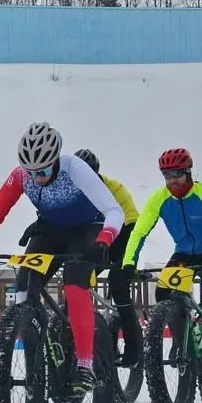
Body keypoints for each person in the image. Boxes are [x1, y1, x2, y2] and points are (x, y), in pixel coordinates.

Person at [0, 123, 123, 396]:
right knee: (24, 287)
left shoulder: (75, 169)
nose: (37, 178)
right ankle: (36, 357)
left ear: (56, 160)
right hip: (50, 230)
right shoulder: (21, 176)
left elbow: (113, 211)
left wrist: (104, 241)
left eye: (44, 171)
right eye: (31, 172)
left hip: (86, 230)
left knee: (74, 285)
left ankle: (85, 365)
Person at [121, 147, 202, 379]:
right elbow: (139, 232)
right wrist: (129, 263)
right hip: (184, 253)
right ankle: (180, 337)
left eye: (177, 174)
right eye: (167, 176)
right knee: (163, 292)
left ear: (188, 172)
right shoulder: (159, 198)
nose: (172, 181)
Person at [73, 148, 143, 367]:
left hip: (126, 232)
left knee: (118, 283)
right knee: (78, 277)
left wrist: (123, 260)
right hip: (99, 233)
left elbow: (133, 226)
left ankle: (133, 350)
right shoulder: (73, 190)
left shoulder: (114, 188)